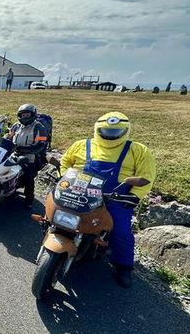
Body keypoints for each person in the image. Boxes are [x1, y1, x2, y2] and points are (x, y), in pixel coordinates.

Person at [60, 112, 156, 288]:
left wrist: (135, 196)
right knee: (55, 213)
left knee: (120, 231)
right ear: (98, 128)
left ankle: (123, 265)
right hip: (80, 192)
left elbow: (146, 176)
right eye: (106, 131)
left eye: (115, 132)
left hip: (115, 199)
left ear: (125, 130)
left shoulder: (138, 150)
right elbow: (65, 161)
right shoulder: (81, 144)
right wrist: (64, 179)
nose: (110, 136)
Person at [6, 104, 48, 208]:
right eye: (23, 115)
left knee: (29, 179)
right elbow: (8, 136)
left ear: (33, 115)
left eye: (28, 114)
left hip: (30, 158)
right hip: (14, 154)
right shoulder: (16, 126)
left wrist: (24, 150)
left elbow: (41, 146)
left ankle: (29, 200)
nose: (25, 117)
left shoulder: (39, 127)